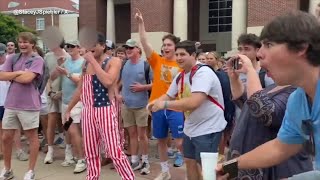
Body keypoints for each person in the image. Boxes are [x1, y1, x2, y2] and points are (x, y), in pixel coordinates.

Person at [217, 11, 320, 180]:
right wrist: (230, 167)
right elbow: (281, 147)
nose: (259, 54)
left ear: (302, 47)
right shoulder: (299, 99)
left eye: (269, 44)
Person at [148, 40, 226, 180]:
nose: (178, 58)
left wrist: (164, 105)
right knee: (190, 163)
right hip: (191, 128)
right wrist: (154, 102)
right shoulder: (181, 75)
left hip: (209, 128)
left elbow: (194, 102)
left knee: (207, 171)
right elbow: (169, 95)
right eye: (177, 54)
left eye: (182, 54)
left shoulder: (203, 73)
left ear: (193, 55)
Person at [226, 54, 313, 179]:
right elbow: (247, 103)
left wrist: (251, 71)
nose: (260, 59)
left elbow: (265, 112)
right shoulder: (274, 87)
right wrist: (233, 78)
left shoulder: (296, 93)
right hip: (250, 166)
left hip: (278, 170)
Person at [65, 33, 134, 180]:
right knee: (90, 150)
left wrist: (92, 61)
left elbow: (108, 81)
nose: (89, 48)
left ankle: (128, 178)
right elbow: (80, 89)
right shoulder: (85, 64)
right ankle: (92, 176)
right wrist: (69, 108)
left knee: (114, 150)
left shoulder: (113, 61)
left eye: (93, 44)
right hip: (88, 111)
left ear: (102, 46)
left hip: (105, 109)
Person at [136, 9, 184, 179]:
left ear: (176, 48)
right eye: (164, 45)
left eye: (169, 45)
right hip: (157, 107)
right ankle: (165, 172)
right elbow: (144, 42)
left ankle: (192, 170)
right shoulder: (157, 60)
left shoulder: (181, 64)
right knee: (161, 141)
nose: (165, 47)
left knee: (180, 142)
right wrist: (141, 24)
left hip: (175, 107)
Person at [0, 32, 44, 180]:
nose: (23, 44)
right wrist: (19, 72)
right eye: (20, 42)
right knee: (6, 137)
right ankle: (7, 169)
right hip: (11, 103)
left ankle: (30, 171)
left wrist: (12, 74)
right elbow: (1, 75)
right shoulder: (13, 57)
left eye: (26, 42)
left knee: (32, 137)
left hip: (29, 105)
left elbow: (28, 79)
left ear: (33, 44)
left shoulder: (37, 60)